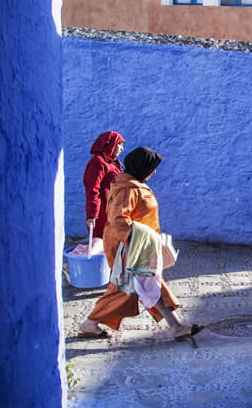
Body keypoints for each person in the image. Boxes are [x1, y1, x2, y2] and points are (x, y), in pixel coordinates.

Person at [78, 146, 204, 341]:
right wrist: (135, 242)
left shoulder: (132, 184)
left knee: (150, 283)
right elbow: (119, 219)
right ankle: (90, 323)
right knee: (124, 289)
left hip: (138, 246)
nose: (153, 172)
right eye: (151, 167)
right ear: (141, 166)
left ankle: (177, 327)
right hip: (129, 247)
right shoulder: (127, 189)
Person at [83, 131, 125, 240]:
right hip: (102, 213)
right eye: (119, 145)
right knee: (103, 244)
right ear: (111, 144)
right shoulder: (97, 162)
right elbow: (92, 189)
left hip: (114, 210)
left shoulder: (113, 163)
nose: (122, 149)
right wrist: (92, 215)